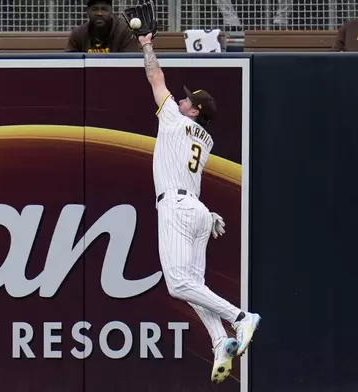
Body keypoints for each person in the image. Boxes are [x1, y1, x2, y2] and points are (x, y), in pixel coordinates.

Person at [137, 31, 261, 384]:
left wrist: (146, 43)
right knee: (194, 285)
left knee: (178, 285)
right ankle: (220, 340)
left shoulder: (175, 121)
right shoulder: (205, 138)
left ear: (194, 112)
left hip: (177, 207)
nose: (181, 99)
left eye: (188, 100)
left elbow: (155, 77)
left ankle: (239, 317)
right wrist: (207, 214)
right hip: (198, 211)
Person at [65, 0, 139, 53]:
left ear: (111, 11)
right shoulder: (78, 33)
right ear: (87, 11)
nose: (99, 13)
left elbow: (130, 65)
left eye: (104, 9)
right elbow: (70, 63)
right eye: (94, 9)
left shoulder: (124, 31)